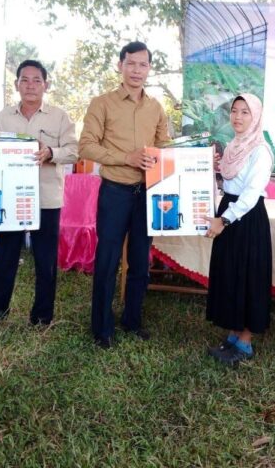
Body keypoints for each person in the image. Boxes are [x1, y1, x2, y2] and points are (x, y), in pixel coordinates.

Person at [79, 41, 170, 348]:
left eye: (143, 65)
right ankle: (102, 328)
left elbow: (164, 148)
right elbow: (86, 146)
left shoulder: (156, 108)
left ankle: (132, 320)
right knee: (107, 260)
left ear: (149, 69)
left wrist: (195, 158)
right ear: (120, 65)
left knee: (141, 262)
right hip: (115, 192)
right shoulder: (102, 103)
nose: (136, 70)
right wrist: (126, 158)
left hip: (147, 194)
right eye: (131, 63)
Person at [0, 60, 78, 330]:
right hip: (11, 198)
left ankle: (42, 317)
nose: (30, 85)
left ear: (46, 85)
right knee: (5, 257)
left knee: (45, 260)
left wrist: (51, 152)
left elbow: (74, 151)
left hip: (46, 198)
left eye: (37, 80)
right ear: (17, 84)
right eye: (25, 79)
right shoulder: (4, 117)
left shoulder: (60, 117)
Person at [205, 94, 274, 366]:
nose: (238, 117)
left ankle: (245, 343)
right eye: (234, 111)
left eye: (246, 112)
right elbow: (230, 182)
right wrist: (214, 168)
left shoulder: (260, 150)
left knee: (248, 277)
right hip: (230, 212)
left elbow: (251, 194)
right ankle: (233, 335)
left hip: (246, 218)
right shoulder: (234, 146)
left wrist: (224, 220)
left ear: (255, 117)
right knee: (230, 274)